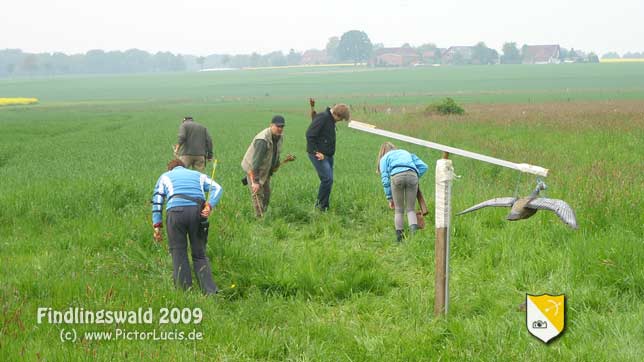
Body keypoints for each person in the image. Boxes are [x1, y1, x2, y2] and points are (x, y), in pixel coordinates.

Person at [151, 159, 223, 294]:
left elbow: (157, 201)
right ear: (184, 167)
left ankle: (184, 292)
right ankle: (210, 291)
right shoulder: (197, 175)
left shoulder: (165, 177)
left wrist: (157, 225)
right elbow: (217, 188)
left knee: (178, 252)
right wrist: (209, 205)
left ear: (170, 169)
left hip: (175, 213)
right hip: (197, 213)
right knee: (199, 254)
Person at [241, 115, 294, 217]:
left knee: (267, 194)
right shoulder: (263, 140)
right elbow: (255, 163)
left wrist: (277, 164)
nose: (280, 129)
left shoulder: (279, 137)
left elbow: (275, 154)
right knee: (257, 194)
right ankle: (259, 220)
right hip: (253, 168)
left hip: (265, 169)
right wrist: (255, 182)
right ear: (271, 125)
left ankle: (263, 215)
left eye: (282, 126)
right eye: (278, 126)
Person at [377, 142, 428, 242]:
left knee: (399, 210)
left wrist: (389, 198)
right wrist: (415, 177)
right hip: (412, 176)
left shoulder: (384, 158)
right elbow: (423, 166)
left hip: (396, 177)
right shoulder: (405, 152)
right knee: (411, 209)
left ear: (382, 152)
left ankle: (400, 239)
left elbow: (385, 179)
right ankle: (414, 238)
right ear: (394, 148)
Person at [306, 103, 350, 211]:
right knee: (327, 179)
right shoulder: (323, 117)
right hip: (319, 155)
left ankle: (324, 207)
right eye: (341, 119)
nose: (340, 121)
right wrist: (316, 152)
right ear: (337, 114)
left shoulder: (330, 119)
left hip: (328, 155)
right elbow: (309, 134)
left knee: (328, 181)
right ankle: (319, 207)